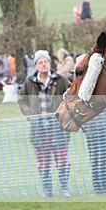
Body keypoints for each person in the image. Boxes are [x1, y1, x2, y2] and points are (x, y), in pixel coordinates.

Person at [18, 49, 72, 198]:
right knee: (44, 163)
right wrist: (30, 114)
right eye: (40, 62)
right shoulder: (29, 82)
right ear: (36, 65)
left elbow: (71, 94)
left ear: (50, 63)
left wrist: (65, 113)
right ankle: (47, 191)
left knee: (63, 161)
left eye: (46, 61)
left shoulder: (60, 79)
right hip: (38, 129)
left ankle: (64, 188)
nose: (44, 64)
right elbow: (22, 99)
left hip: (58, 128)